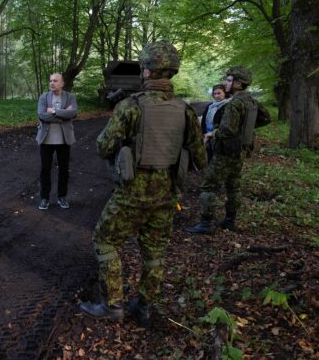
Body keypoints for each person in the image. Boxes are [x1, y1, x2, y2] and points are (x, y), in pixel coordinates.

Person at [78, 41, 206, 325]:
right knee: (155, 251)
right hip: (166, 195)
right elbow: (201, 158)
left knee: (105, 240)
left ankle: (112, 305)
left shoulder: (130, 106)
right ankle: (145, 306)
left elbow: (103, 146)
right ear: (171, 72)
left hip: (131, 194)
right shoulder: (185, 111)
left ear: (147, 72)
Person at [185, 66, 271, 234]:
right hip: (241, 151)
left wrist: (212, 133)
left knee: (209, 186)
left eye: (229, 80)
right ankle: (230, 220)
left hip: (226, 151)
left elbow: (226, 130)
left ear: (238, 84)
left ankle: (205, 224)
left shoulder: (234, 104)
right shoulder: (251, 101)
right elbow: (266, 118)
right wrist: (245, 129)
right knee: (234, 187)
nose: (226, 83)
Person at [36, 73, 78, 210]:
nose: (52, 83)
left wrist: (53, 111)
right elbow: (42, 115)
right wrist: (62, 114)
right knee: (45, 170)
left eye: (55, 81)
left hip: (64, 140)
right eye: (50, 81)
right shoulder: (43, 97)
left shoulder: (70, 97)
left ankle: (62, 197)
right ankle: (44, 198)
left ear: (62, 83)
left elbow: (73, 113)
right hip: (46, 140)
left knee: (64, 170)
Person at [201, 84, 231, 162]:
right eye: (215, 94)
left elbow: (227, 124)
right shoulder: (210, 106)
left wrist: (214, 133)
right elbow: (203, 120)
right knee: (209, 156)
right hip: (207, 135)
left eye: (219, 93)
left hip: (220, 137)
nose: (217, 96)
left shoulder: (228, 106)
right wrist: (204, 133)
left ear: (225, 93)